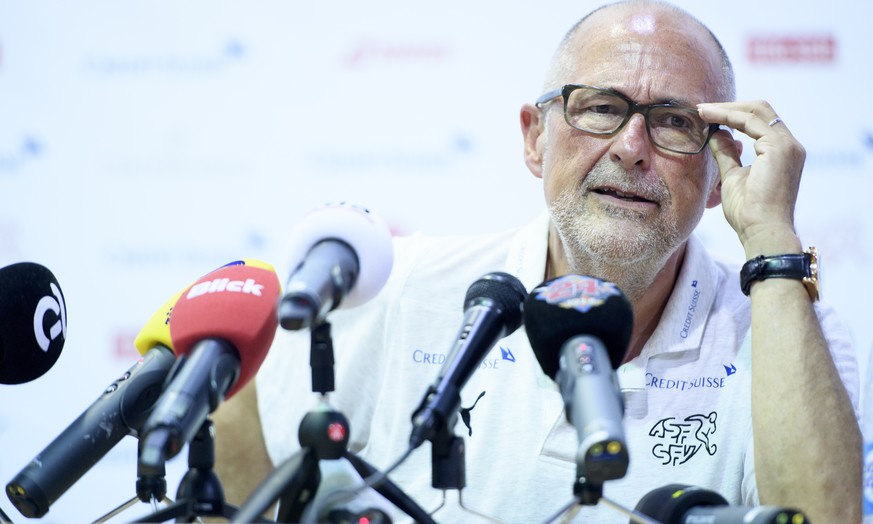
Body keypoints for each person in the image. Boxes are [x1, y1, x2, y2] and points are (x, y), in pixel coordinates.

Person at [212, 1, 862, 522]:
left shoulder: (784, 332)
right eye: (601, 108)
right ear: (533, 138)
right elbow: (236, 413)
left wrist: (772, 241)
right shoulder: (404, 288)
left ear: (718, 174)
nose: (631, 148)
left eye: (672, 122)